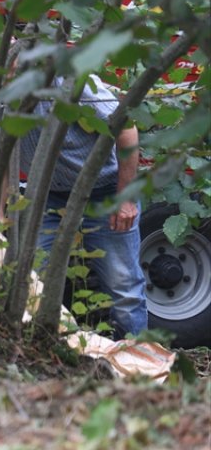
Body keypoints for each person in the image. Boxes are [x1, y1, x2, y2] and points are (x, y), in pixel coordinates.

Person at [18, 75, 146, 337]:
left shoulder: (74, 84)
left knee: (123, 287)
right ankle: (41, 353)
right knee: (31, 278)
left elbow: (126, 129)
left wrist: (125, 199)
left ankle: (138, 368)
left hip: (105, 193)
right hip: (48, 195)